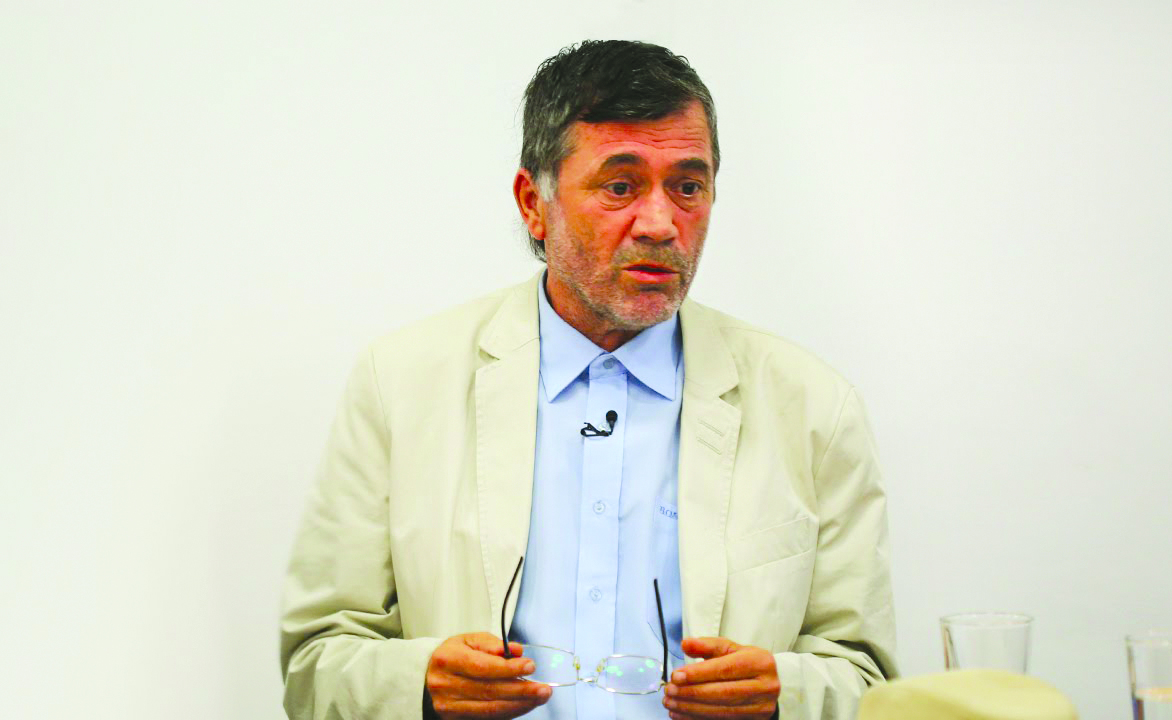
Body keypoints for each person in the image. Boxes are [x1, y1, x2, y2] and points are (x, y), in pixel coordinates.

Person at [280, 40, 896, 720]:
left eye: (688, 187)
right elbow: (314, 665)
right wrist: (421, 684)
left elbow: (868, 678)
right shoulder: (401, 384)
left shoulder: (812, 407)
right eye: (620, 186)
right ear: (533, 203)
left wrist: (784, 697)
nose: (660, 224)